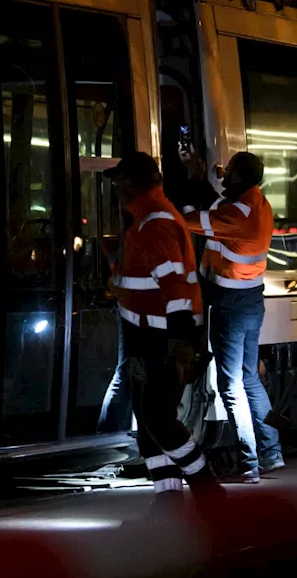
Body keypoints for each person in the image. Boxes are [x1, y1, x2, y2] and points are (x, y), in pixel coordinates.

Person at [105, 152, 220, 503]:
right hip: (150, 335)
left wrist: (180, 339)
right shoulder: (150, 218)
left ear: (128, 185)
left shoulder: (153, 222)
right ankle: (168, 497)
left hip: (158, 338)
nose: (116, 191)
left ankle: (206, 487)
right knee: (150, 423)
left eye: (118, 183)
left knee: (158, 419)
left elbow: (173, 285)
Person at [181, 150, 283, 483]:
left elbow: (189, 219)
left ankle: (248, 464)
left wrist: (191, 181)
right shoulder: (258, 204)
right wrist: (203, 180)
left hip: (229, 305)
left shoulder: (238, 214)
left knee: (231, 385)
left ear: (239, 177)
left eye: (230, 173)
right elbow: (220, 211)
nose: (224, 176)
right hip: (251, 302)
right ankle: (271, 453)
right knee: (249, 378)